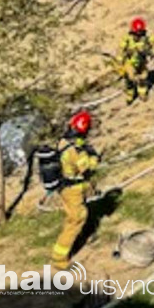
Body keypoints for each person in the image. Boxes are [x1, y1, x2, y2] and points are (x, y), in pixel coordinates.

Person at [51, 111, 99, 271]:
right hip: (73, 189)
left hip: (63, 186)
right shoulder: (77, 150)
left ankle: (81, 237)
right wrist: (93, 156)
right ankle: (59, 258)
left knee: (72, 216)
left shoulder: (63, 141)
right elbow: (87, 168)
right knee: (77, 219)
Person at [118, 17, 154, 105]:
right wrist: (120, 60)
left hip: (142, 62)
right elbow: (121, 50)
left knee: (143, 77)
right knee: (130, 78)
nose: (137, 36)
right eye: (136, 34)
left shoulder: (147, 38)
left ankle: (142, 94)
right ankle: (130, 96)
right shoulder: (127, 38)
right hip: (130, 63)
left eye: (140, 34)